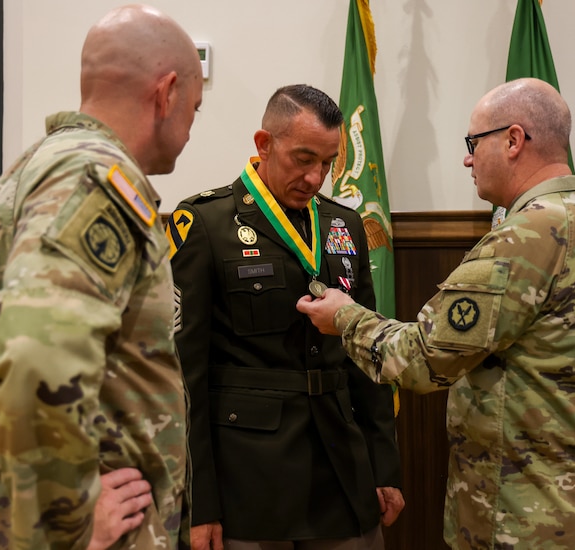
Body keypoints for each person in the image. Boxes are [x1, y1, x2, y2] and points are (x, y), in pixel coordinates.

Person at [297, 78, 575, 549]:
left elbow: (421, 360)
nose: (467, 158)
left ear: (513, 140)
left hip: (531, 521)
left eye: (473, 143)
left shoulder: (526, 238)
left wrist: (344, 317)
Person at [0, 5, 203, 549]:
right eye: (195, 108)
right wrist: (69, 521)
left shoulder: (48, 164)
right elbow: (40, 354)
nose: (192, 125)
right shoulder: (95, 179)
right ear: (167, 92)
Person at [166, 84, 404, 550]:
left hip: (342, 469)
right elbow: (184, 378)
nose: (316, 177)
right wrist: (199, 501)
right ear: (264, 144)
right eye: (303, 158)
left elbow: (366, 356)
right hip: (249, 482)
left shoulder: (343, 225)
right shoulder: (206, 225)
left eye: (329, 163)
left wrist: (384, 465)